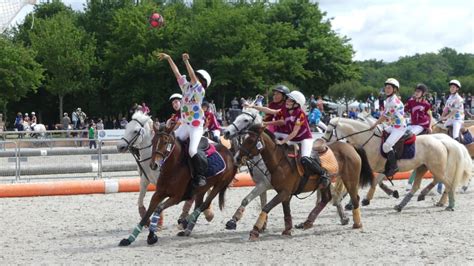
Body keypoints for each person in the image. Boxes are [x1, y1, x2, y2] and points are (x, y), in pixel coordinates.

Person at [157, 52, 212, 187]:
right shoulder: (186, 87)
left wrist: (186, 62)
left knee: (192, 150)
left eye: (198, 78)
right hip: (185, 125)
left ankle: (200, 176)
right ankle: (164, 165)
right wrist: (169, 58)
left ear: (203, 82)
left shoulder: (200, 91)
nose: (194, 78)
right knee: (169, 140)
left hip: (195, 127)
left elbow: (192, 76)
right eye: (196, 76)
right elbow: (176, 73)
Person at [369, 78, 406, 177]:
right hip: (393, 125)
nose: (387, 89)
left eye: (389, 88)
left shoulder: (394, 101)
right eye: (386, 87)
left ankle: (394, 167)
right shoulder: (388, 99)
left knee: (386, 146)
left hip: (399, 128)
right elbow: (385, 115)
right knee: (380, 133)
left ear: (394, 89)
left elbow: (385, 116)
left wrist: (374, 124)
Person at [404, 84, 432, 190]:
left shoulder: (426, 104)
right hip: (412, 124)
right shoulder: (411, 101)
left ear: (423, 94)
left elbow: (429, 115)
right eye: (416, 91)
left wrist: (429, 127)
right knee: (403, 134)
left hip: (421, 125)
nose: (416, 93)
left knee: (410, 135)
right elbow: (404, 110)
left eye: (419, 91)